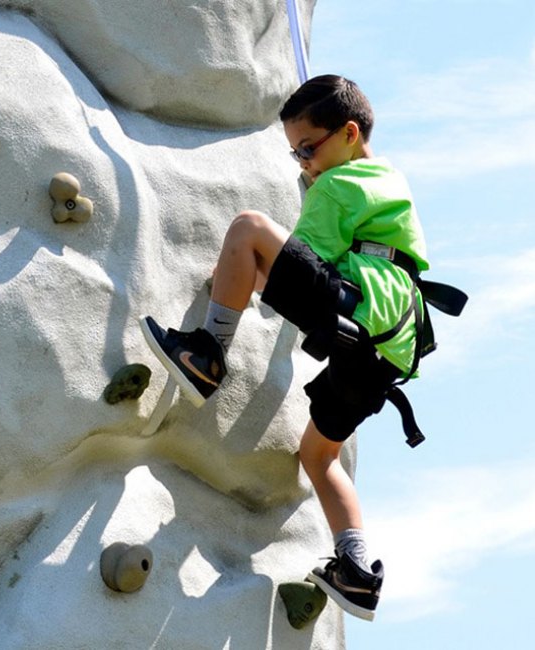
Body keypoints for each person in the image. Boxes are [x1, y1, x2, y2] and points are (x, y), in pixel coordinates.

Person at [141, 74, 430, 621]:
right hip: (387, 352)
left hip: (356, 308)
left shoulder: (339, 186)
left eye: (308, 148)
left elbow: (292, 270)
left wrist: (237, 266)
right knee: (319, 456)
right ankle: (357, 569)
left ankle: (206, 353)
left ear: (348, 134)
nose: (302, 162)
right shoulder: (389, 180)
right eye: (295, 152)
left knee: (248, 228)